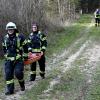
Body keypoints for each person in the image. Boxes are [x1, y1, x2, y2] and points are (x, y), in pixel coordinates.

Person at [2, 22, 28, 95]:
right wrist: (6, 55)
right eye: (9, 29)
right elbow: (4, 48)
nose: (10, 30)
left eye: (12, 29)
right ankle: (10, 90)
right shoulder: (5, 38)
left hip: (18, 59)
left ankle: (22, 84)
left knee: (18, 73)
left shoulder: (20, 36)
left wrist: (25, 56)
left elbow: (25, 46)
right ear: (7, 29)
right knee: (8, 74)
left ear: (14, 29)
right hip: (8, 60)